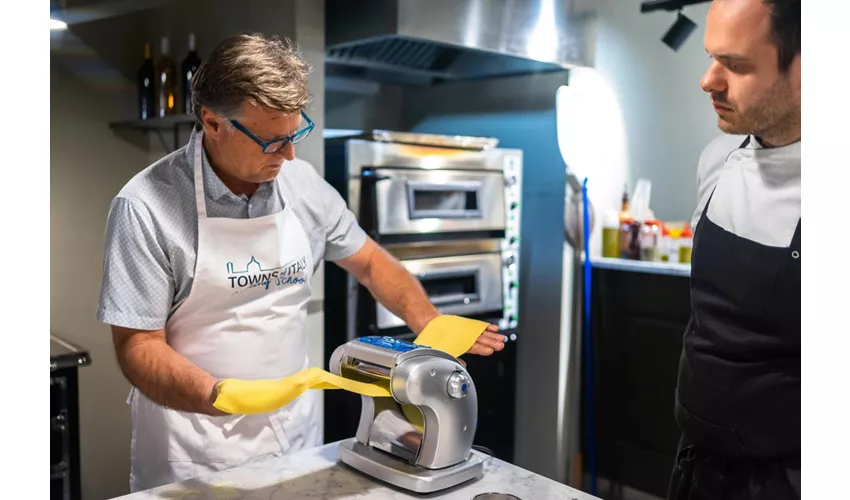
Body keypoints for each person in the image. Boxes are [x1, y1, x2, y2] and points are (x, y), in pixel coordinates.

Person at [96, 33, 506, 492]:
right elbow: (137, 345)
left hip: (293, 438)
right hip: (195, 448)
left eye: (295, 134)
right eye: (272, 141)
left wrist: (428, 323)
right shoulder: (145, 207)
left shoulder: (303, 185)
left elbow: (371, 262)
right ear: (212, 123)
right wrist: (221, 395)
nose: (289, 154)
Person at [668, 0, 800, 499]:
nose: (708, 80)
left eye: (737, 65)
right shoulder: (719, 157)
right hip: (695, 462)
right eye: (711, 57)